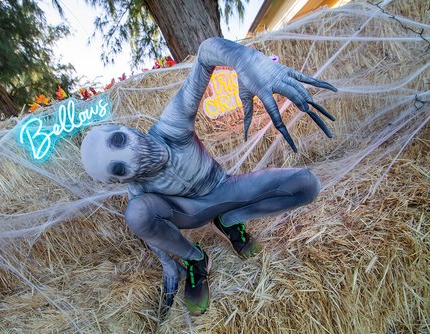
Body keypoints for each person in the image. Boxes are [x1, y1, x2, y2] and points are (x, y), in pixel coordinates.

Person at [80, 37, 337, 315]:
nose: (130, 156)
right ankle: (196, 260)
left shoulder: (171, 127)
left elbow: (205, 55)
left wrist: (248, 62)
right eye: (119, 168)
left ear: (124, 128)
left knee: (307, 185)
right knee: (136, 213)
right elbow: (149, 232)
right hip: (189, 211)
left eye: (119, 141)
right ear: (120, 180)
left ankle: (230, 219)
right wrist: (169, 265)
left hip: (224, 188)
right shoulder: (138, 189)